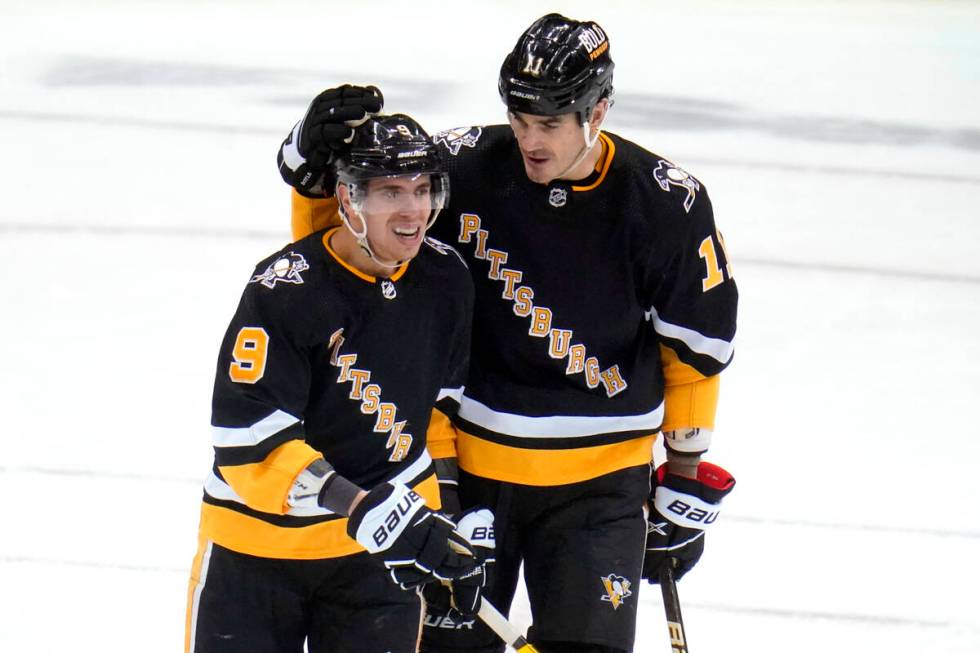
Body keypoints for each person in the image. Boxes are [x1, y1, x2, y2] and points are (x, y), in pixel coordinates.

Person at [278, 14, 738, 653]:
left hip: (601, 490)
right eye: (520, 121)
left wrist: (684, 474)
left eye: (549, 124)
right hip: (466, 474)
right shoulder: (463, 167)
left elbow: (694, 350)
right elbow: (343, 251)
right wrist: (308, 171)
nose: (529, 141)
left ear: (598, 109)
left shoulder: (664, 203)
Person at [185, 112, 495, 653]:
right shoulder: (285, 289)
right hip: (256, 553)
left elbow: (439, 413)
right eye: (391, 192)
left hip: (377, 562)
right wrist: (359, 506)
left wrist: (442, 524)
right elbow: (249, 442)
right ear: (349, 201)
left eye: (423, 189)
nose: (413, 211)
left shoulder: (445, 278)